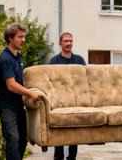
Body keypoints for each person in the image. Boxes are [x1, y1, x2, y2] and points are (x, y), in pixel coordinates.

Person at [0, 23, 42, 160]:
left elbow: (20, 81)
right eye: (20, 37)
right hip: (7, 107)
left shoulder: (18, 57)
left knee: (23, 140)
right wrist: (30, 93)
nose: (23, 40)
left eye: (24, 37)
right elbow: (11, 85)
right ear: (10, 38)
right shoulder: (5, 59)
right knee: (13, 140)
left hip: (18, 106)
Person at [48, 32, 86, 160]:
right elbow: (50, 81)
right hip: (59, 100)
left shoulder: (79, 60)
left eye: (70, 41)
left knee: (73, 129)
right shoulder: (54, 61)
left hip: (75, 99)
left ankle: (72, 157)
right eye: (65, 41)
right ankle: (58, 157)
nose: (68, 43)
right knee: (60, 129)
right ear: (60, 43)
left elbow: (85, 79)